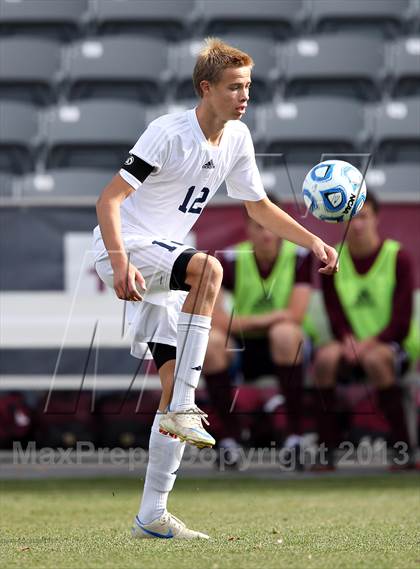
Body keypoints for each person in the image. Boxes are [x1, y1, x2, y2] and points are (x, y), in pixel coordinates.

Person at [93, 38, 338, 540]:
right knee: (209, 270)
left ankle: (152, 515)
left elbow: (258, 206)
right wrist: (119, 263)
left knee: (169, 392)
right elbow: (109, 201)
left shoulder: (238, 138)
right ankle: (186, 403)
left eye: (248, 85)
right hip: (126, 248)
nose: (244, 95)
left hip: (160, 261)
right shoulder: (167, 133)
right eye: (234, 87)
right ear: (206, 89)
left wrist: (313, 239)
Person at [203, 196, 314, 468]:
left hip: (288, 349)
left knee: (285, 334)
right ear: (247, 228)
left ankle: (294, 437)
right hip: (242, 348)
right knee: (209, 344)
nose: (265, 234)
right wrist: (270, 318)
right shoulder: (229, 259)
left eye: (270, 226)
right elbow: (215, 318)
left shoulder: (299, 256)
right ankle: (229, 440)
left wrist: (242, 320)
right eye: (258, 226)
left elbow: (295, 315)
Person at [313, 191, 419, 470]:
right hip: (348, 344)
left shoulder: (399, 258)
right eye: (351, 219)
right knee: (324, 360)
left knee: (376, 360)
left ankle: (403, 449)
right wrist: (347, 339)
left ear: (376, 218)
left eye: (363, 217)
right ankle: (327, 449)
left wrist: (369, 343)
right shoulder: (331, 259)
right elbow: (334, 312)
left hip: (390, 346)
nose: (357, 225)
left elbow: (402, 320)